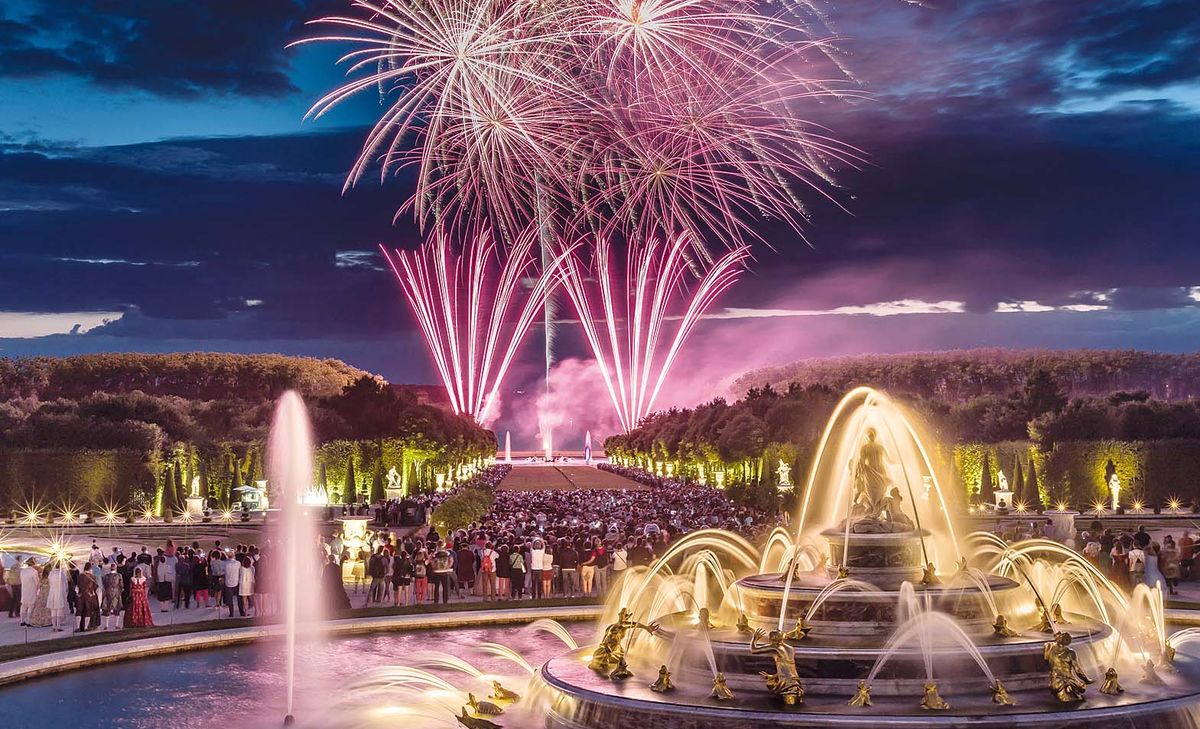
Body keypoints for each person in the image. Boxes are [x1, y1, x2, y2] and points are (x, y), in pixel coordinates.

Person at [101, 562, 124, 630]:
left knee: (107, 609)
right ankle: (116, 625)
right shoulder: (119, 575)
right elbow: (121, 585)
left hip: (108, 593)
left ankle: (106, 625)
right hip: (116, 593)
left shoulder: (106, 576)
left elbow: (104, 585)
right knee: (117, 609)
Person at [76, 565, 99, 632]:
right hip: (89, 595)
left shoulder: (79, 576)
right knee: (88, 610)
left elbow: (77, 585)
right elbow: (95, 586)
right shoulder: (93, 577)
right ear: (90, 569)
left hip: (80, 595)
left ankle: (78, 627)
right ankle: (86, 627)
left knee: (79, 611)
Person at [47, 560, 69, 632]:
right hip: (60, 593)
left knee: (53, 610)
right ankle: (58, 626)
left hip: (52, 592)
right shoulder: (61, 574)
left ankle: (54, 626)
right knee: (59, 610)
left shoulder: (51, 574)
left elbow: (49, 583)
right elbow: (65, 585)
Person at [19, 557, 39, 627]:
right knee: (31, 605)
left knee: (23, 605)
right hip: (32, 589)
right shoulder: (34, 572)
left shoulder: (23, 571)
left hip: (24, 589)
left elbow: (21, 580)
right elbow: (37, 583)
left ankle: (22, 620)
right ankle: (28, 621)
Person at [223, 552, 243, 617]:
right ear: (234, 556)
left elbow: (223, 572)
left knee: (230, 600)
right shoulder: (238, 563)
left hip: (228, 583)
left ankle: (231, 613)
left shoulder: (225, 563)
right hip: (236, 582)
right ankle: (241, 612)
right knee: (239, 599)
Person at [5, 554, 22, 619]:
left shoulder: (12, 566)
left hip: (13, 584)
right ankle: (17, 612)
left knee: (14, 598)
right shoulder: (18, 567)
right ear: (19, 560)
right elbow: (20, 576)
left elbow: (9, 576)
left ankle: (11, 612)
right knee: (18, 599)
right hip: (18, 584)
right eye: (21, 559)